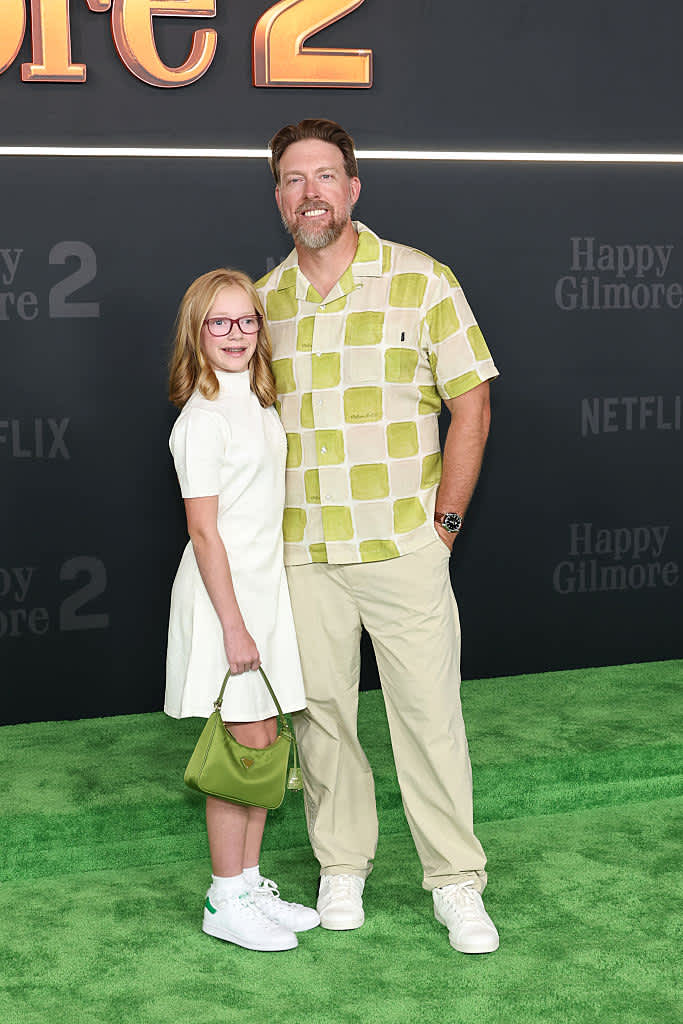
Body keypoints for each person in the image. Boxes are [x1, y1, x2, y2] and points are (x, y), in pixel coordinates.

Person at [255, 119, 500, 954]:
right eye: (294, 179)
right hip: (305, 554)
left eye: (325, 175)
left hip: (403, 547)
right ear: (279, 196)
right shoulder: (260, 302)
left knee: (429, 719)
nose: (310, 192)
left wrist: (444, 528)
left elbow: (471, 403)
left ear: (353, 189)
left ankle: (455, 883)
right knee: (322, 721)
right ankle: (342, 866)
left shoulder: (423, 281)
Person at [165, 268, 319, 951]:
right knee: (241, 745)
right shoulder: (200, 418)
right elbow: (204, 531)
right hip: (225, 598)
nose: (235, 334)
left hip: (262, 591)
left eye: (246, 320)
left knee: (259, 741)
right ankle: (224, 898)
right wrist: (232, 623)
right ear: (197, 333)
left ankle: (249, 882)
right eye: (219, 322)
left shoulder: (256, 401)